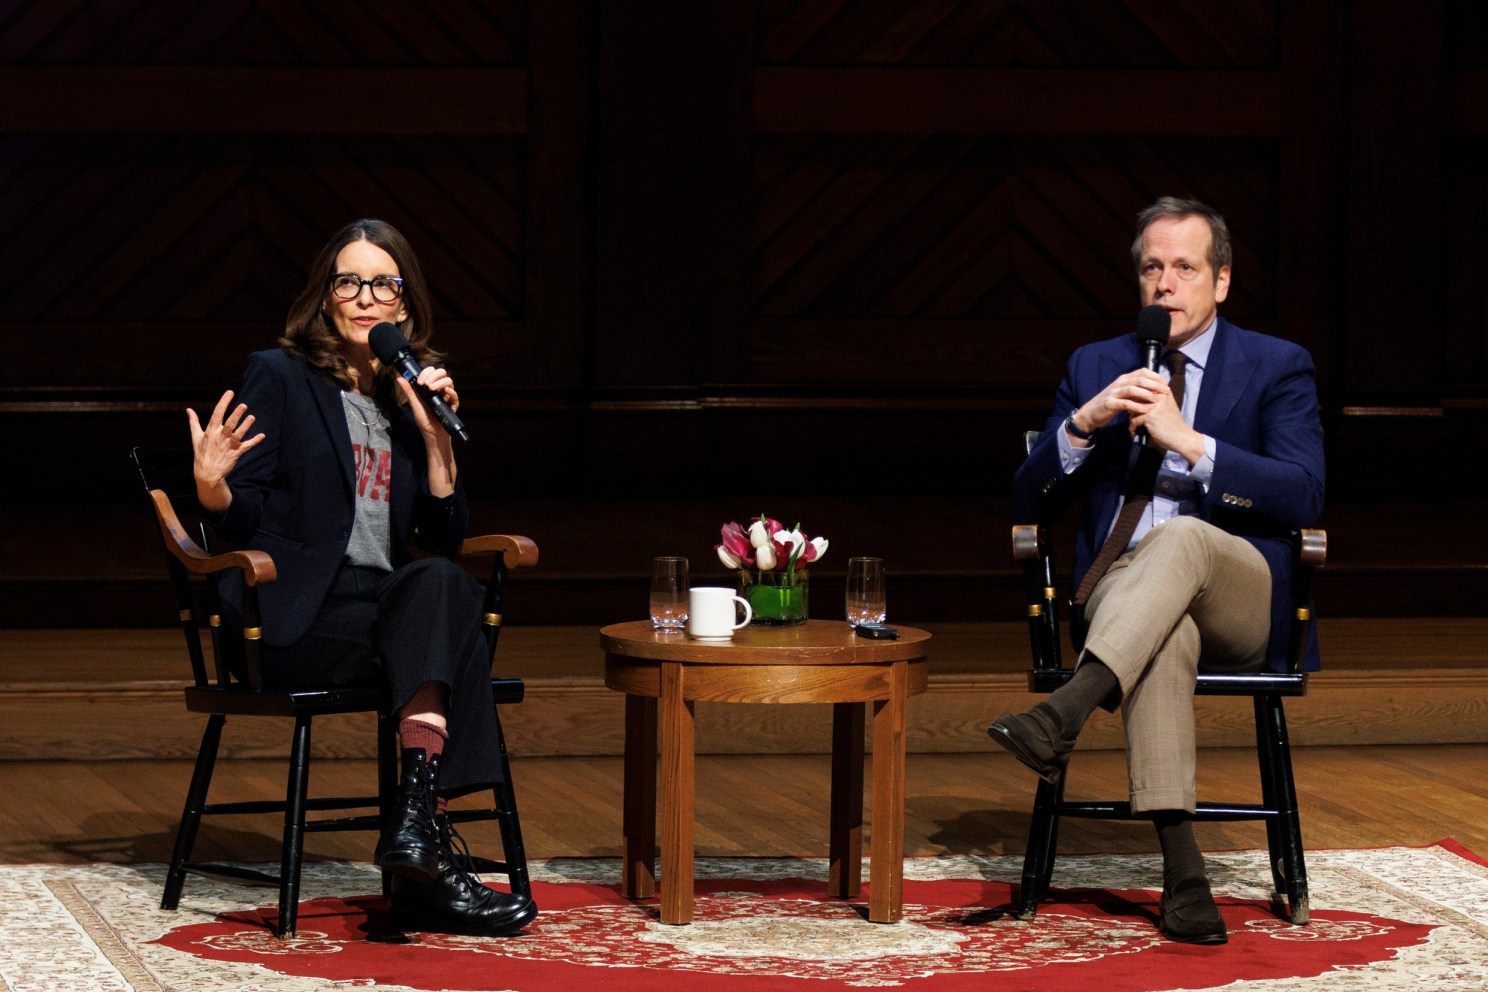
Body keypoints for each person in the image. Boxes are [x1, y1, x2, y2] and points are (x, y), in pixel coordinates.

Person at [186, 218, 537, 938]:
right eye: (349, 281)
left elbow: (437, 539)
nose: (366, 296)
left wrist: (437, 441)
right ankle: (430, 859)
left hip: (381, 612)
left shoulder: (406, 395)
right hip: (297, 614)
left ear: (404, 307)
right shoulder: (281, 375)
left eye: (384, 284)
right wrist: (214, 490)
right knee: (450, 627)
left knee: (440, 584)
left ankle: (414, 833)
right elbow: (243, 517)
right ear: (325, 297)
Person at [990, 197, 1324, 944]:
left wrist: (1190, 442)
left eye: (1184, 268)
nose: (1164, 285)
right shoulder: (1095, 365)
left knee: (1182, 543)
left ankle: (1065, 712)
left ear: (1222, 281)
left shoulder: (1277, 364)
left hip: (1239, 592)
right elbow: (1025, 497)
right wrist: (1084, 424)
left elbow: (1305, 491)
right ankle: (1185, 877)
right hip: (1123, 597)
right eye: (1151, 268)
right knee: (1160, 631)